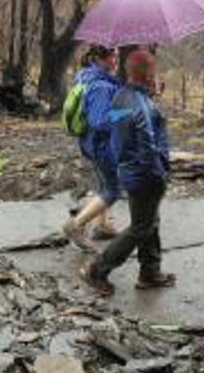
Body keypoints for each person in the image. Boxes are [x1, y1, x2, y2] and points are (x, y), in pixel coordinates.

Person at [80, 48, 176, 295]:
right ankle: (97, 270)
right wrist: (160, 173)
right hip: (145, 175)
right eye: (153, 71)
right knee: (141, 227)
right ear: (147, 75)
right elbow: (147, 144)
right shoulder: (139, 104)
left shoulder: (122, 96)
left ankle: (149, 272)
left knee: (149, 221)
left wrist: (150, 99)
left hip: (129, 170)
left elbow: (121, 123)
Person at [62, 45, 121, 250]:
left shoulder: (87, 77)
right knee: (113, 190)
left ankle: (103, 226)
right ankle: (75, 225)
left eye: (116, 56)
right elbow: (100, 121)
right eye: (113, 57)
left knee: (104, 185)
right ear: (100, 59)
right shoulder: (101, 87)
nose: (116, 60)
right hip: (101, 145)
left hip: (90, 143)